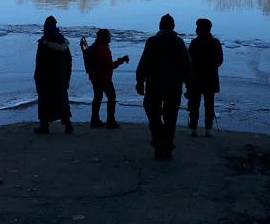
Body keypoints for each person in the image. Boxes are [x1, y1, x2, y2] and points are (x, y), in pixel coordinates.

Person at [135, 13, 192, 160]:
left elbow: (143, 63)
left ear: (160, 26)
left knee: (152, 113)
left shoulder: (152, 41)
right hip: (173, 87)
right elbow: (187, 66)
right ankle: (167, 144)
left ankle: (158, 142)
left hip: (154, 85)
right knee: (171, 117)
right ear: (173, 26)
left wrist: (140, 82)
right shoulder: (179, 42)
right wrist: (190, 86)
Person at [33, 15, 73, 134]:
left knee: (44, 101)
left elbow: (39, 62)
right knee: (62, 101)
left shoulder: (43, 43)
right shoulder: (63, 41)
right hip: (60, 78)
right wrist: (67, 77)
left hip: (46, 78)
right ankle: (68, 125)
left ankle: (44, 126)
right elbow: (69, 61)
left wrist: (37, 76)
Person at [83, 29, 129, 129]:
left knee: (97, 97)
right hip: (104, 78)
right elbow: (110, 66)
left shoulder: (93, 47)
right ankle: (110, 121)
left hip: (94, 77)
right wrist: (121, 61)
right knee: (111, 97)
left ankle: (94, 120)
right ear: (105, 37)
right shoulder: (104, 49)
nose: (110, 37)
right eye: (108, 36)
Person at [186, 18, 223, 137]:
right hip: (211, 78)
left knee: (194, 104)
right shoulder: (216, 42)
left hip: (196, 79)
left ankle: (193, 128)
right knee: (209, 104)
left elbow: (188, 61)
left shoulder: (194, 43)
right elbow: (220, 60)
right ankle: (208, 129)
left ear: (199, 29)